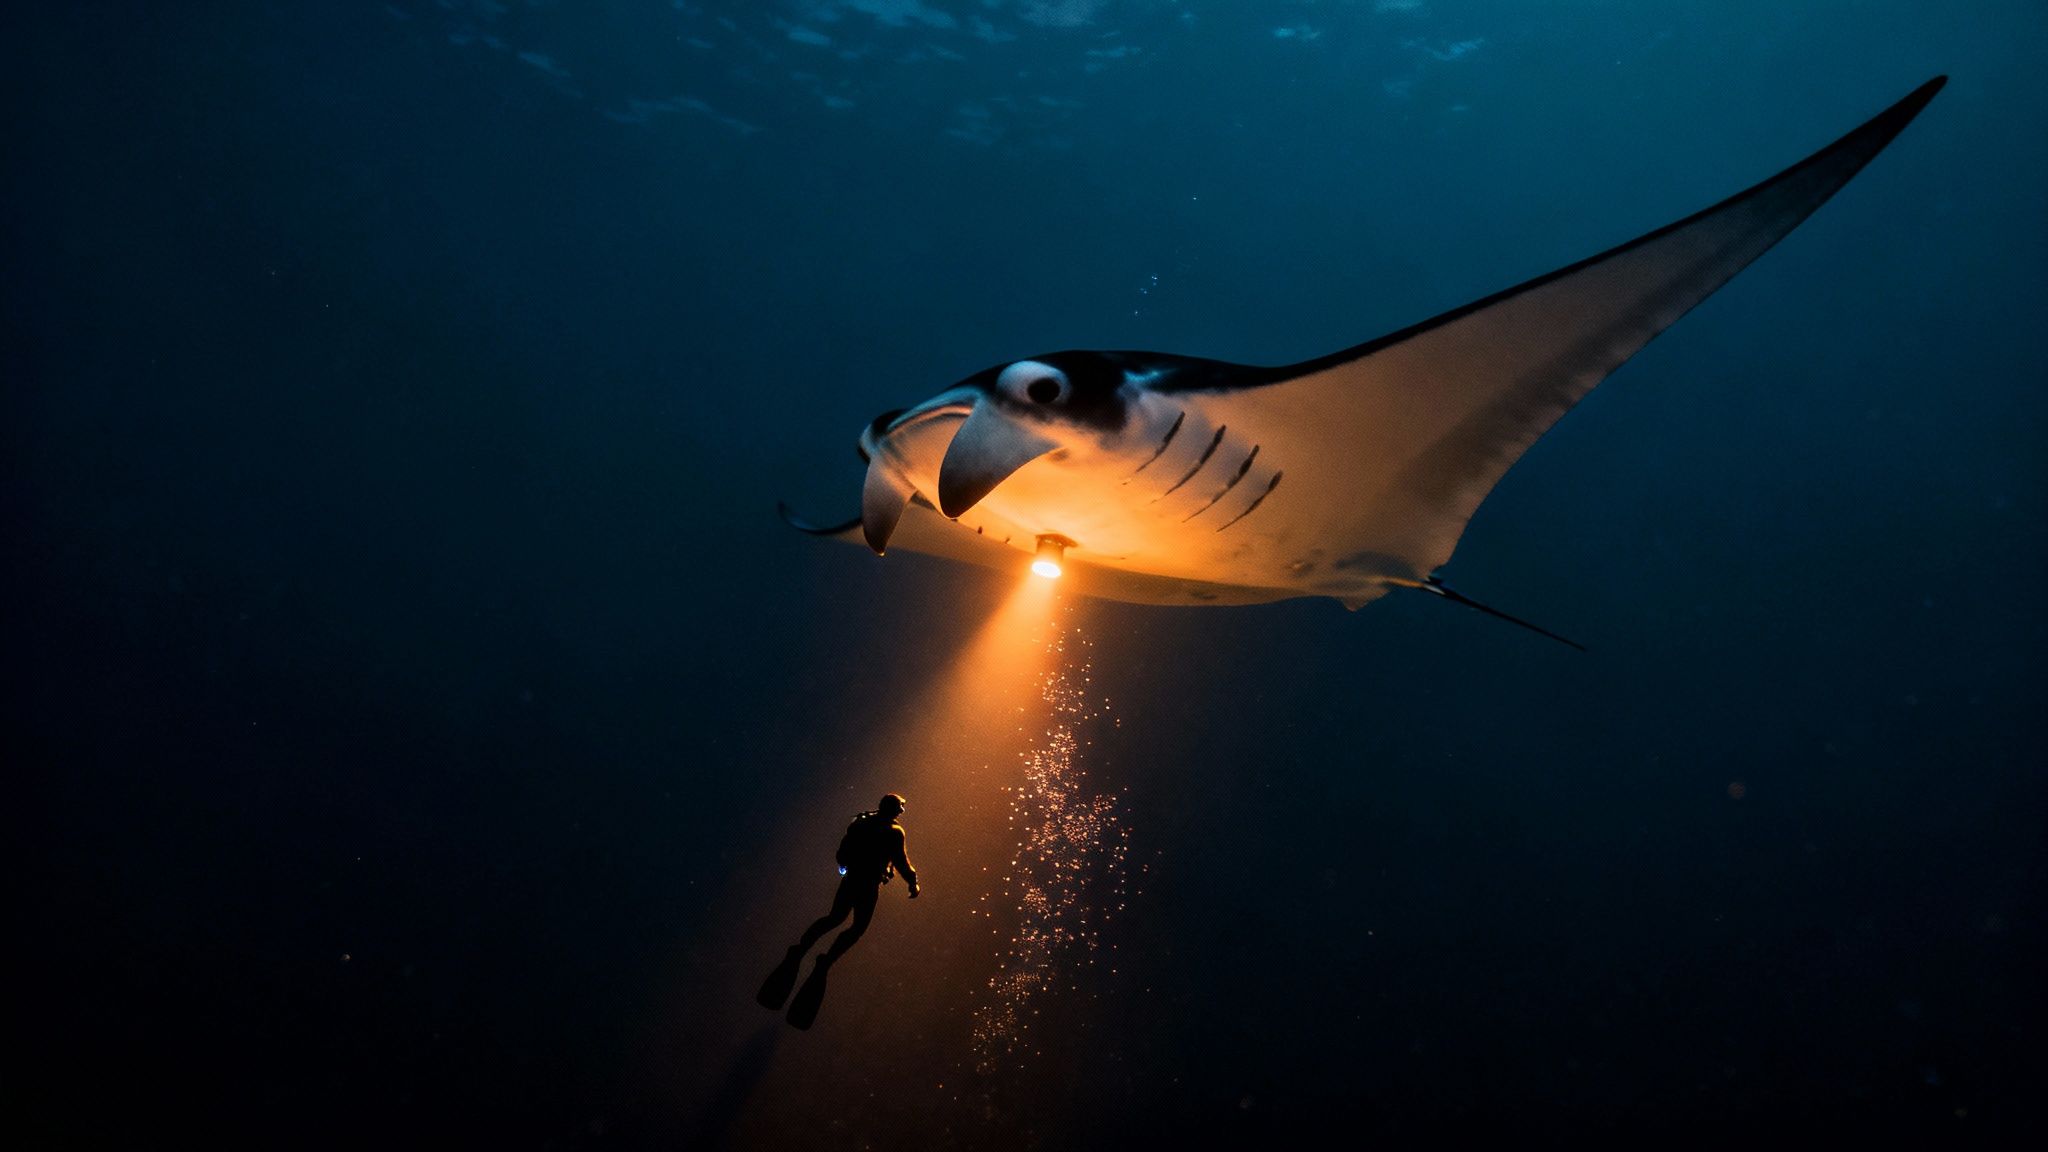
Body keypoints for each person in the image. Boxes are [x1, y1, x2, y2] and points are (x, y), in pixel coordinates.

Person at [797, 793, 919, 966]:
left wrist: (846, 866)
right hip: (869, 884)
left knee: (835, 917)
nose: (902, 810)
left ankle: (802, 947)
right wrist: (912, 882)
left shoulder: (862, 823)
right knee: (858, 927)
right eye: (900, 806)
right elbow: (901, 862)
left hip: (851, 879)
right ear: (892, 808)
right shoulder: (894, 832)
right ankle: (828, 959)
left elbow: (843, 851)